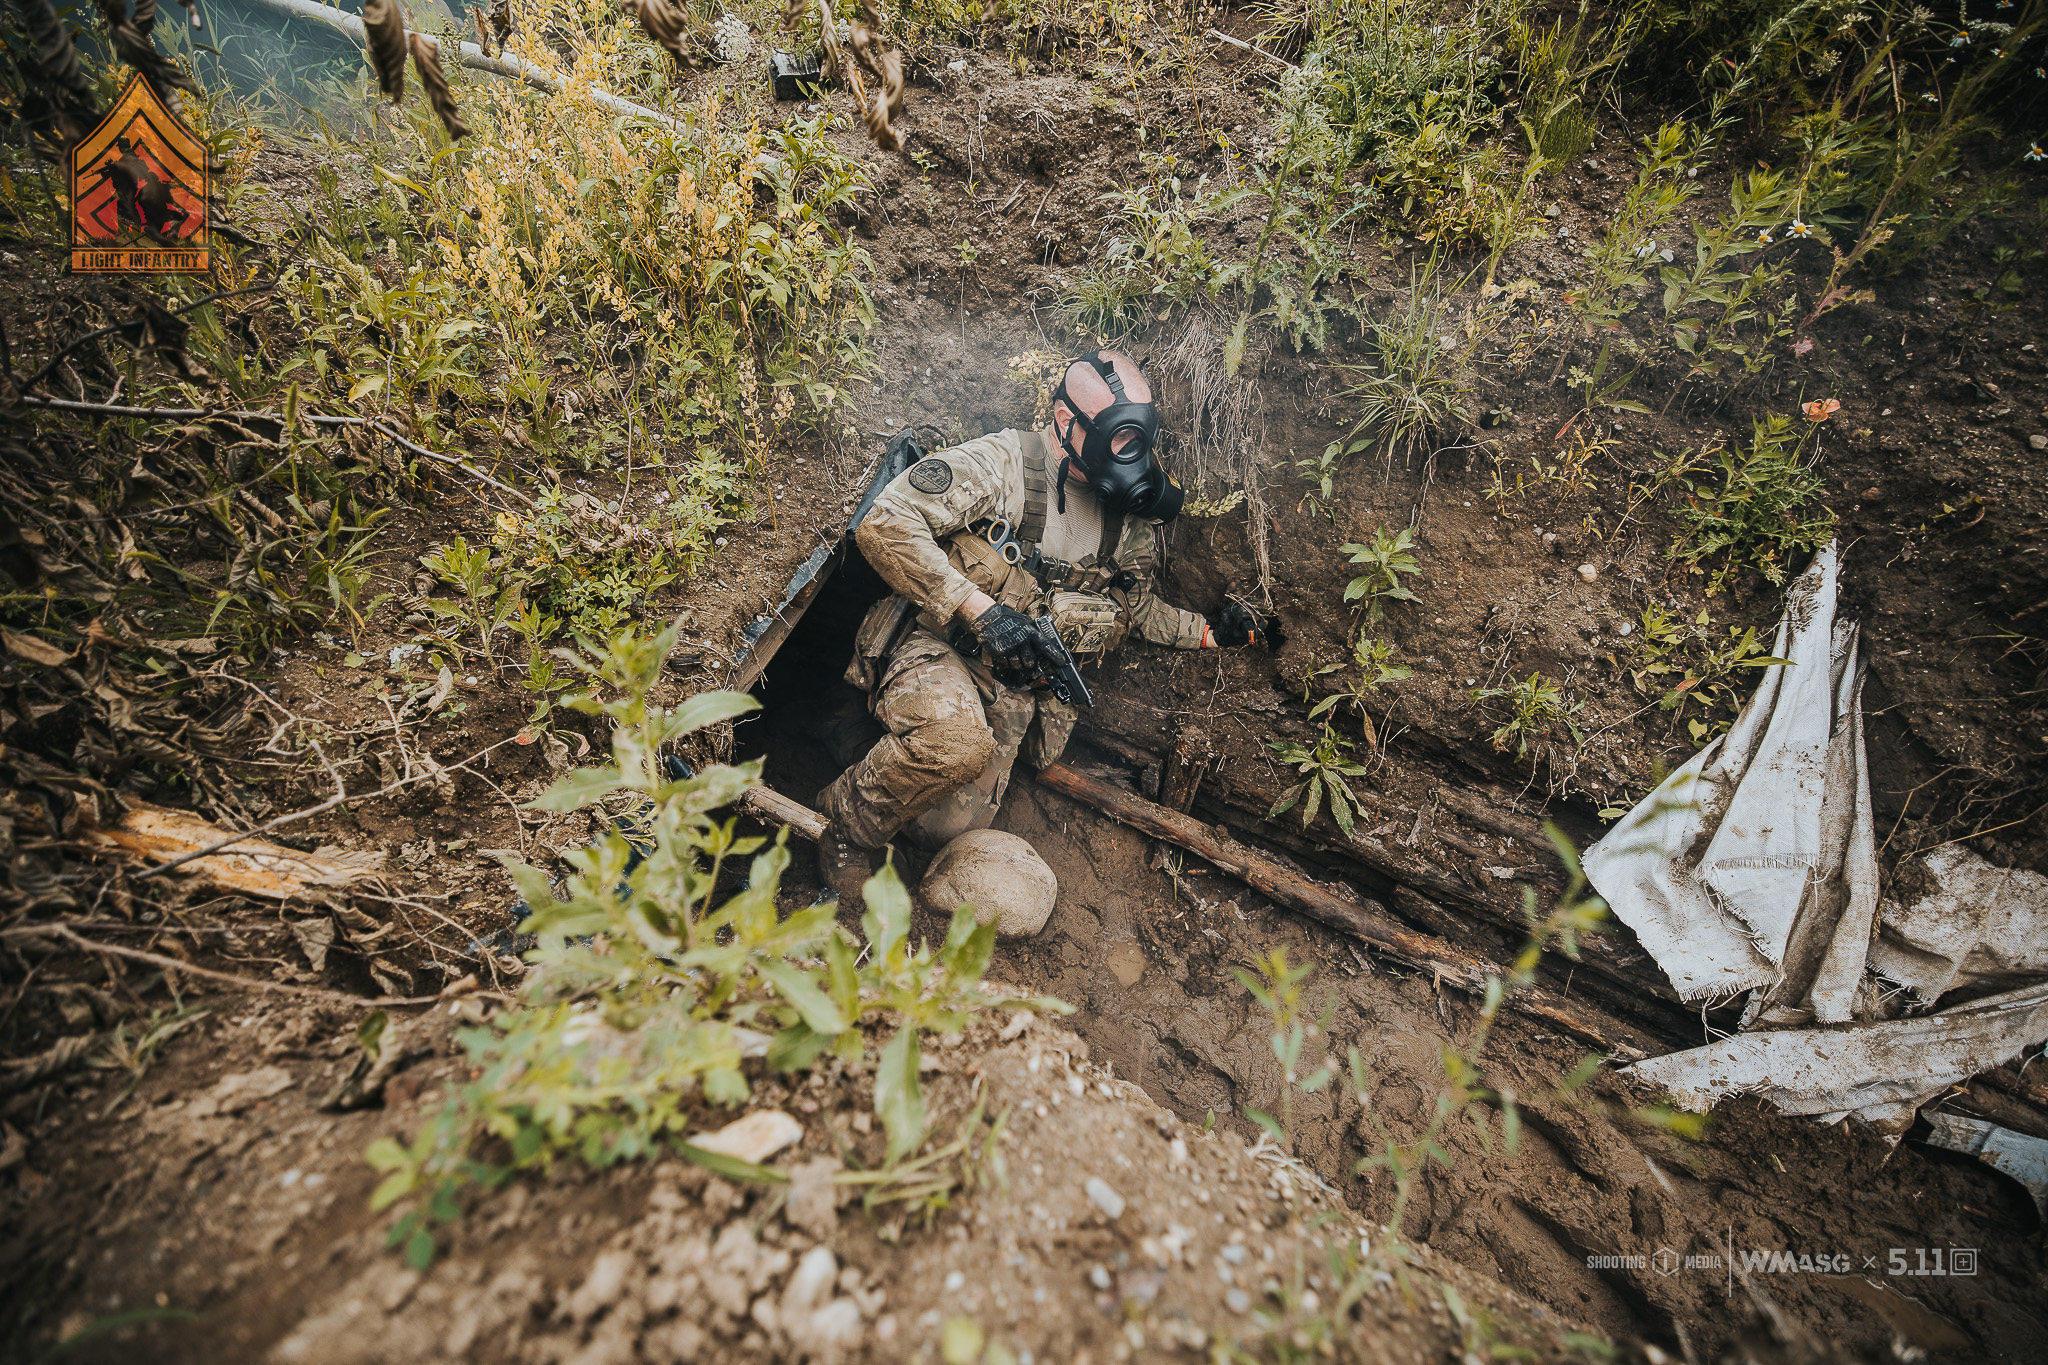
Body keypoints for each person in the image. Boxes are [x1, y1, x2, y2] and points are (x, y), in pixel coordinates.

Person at [816, 350, 1276, 902]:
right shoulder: (1004, 464)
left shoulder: (1125, 519)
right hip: (939, 647)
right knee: (954, 745)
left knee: (939, 830)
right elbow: (886, 521)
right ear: (1066, 421)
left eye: (1139, 439)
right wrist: (979, 610)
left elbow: (1136, 609)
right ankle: (843, 823)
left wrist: (1211, 634)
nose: (1131, 455)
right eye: (1119, 437)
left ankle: (870, 744)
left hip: (1012, 684)